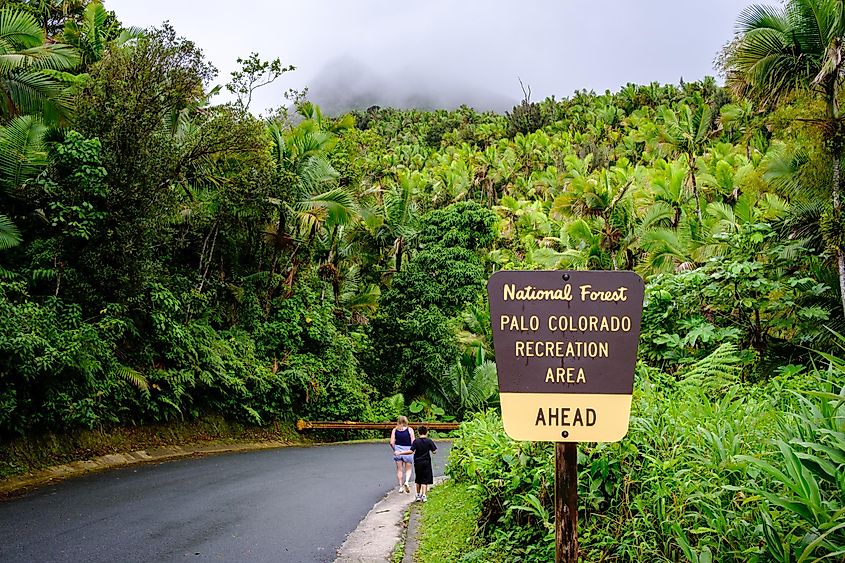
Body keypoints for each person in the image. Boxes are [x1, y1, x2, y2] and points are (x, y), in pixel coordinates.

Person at [395, 425, 437, 502]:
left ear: (418, 433)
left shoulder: (416, 441)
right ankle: (424, 495)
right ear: (426, 432)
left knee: (418, 478)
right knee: (425, 479)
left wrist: (401, 452)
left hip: (418, 462)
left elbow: (411, 451)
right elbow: (434, 451)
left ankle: (417, 494)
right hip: (426, 461)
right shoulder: (429, 441)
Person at [390, 415, 414, 493]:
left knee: (399, 469)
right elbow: (413, 441)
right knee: (409, 468)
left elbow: (391, 442)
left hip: (398, 450)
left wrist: (395, 449)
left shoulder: (395, 430)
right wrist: (413, 450)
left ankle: (400, 486)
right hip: (408, 450)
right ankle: (406, 482)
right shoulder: (410, 429)